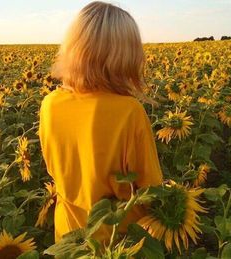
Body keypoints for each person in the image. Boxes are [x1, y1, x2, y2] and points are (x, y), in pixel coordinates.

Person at [38, 1, 163, 245]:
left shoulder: (50, 103)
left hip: (69, 237)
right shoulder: (129, 112)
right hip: (118, 239)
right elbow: (150, 189)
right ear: (126, 55)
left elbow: (54, 167)